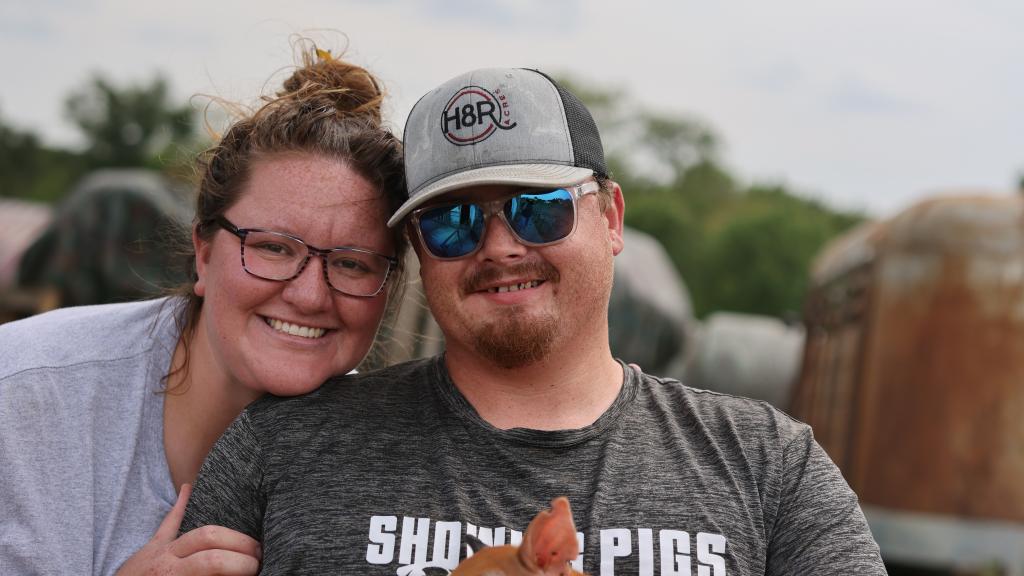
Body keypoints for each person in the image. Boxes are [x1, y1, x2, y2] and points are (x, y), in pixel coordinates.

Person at [181, 68, 887, 575]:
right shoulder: (283, 448)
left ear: (609, 217)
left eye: (537, 207)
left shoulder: (768, 465)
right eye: (452, 223)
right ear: (420, 252)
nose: (500, 246)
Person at [0, 42, 407, 576]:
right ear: (204, 252)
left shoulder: (395, 461)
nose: (310, 295)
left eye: (353, 264)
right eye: (273, 248)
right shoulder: (25, 394)